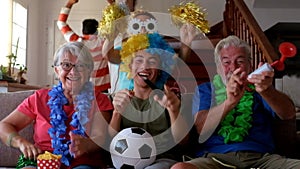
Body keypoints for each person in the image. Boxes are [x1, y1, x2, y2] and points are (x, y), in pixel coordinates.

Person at [171, 35, 300, 169]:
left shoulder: (261, 88)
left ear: (250, 66)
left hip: (261, 159)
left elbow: (288, 114)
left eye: (240, 61)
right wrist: (229, 102)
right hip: (215, 159)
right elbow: (201, 128)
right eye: (226, 62)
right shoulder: (206, 90)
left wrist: (267, 90)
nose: (233, 67)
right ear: (217, 67)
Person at [0, 42, 114, 169]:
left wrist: (86, 144)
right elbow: (4, 125)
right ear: (57, 70)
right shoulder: (39, 98)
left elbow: (100, 136)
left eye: (80, 66)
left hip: (82, 161)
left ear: (89, 71)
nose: (73, 71)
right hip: (43, 160)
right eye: (66, 65)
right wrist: (20, 143)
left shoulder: (99, 100)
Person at [109, 33, 190, 169]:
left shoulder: (170, 99)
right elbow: (109, 141)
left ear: (160, 70)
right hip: (125, 163)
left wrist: (174, 112)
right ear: (129, 66)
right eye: (139, 60)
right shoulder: (118, 98)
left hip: (163, 161)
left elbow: (183, 142)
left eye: (152, 62)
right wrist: (117, 113)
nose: (145, 67)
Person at [106, 9, 198, 93]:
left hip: (154, 100)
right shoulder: (125, 49)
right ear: (130, 31)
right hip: (125, 100)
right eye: (136, 26)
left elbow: (177, 65)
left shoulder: (161, 50)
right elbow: (111, 56)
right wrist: (112, 35)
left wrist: (186, 44)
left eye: (149, 26)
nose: (143, 30)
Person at [57, 0, 111, 93]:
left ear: (83, 30)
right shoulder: (104, 42)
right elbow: (119, 23)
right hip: (102, 90)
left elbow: (61, 22)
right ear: (97, 30)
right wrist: (112, 4)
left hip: (82, 88)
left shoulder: (77, 42)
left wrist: (70, 3)